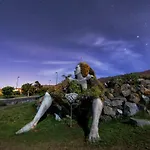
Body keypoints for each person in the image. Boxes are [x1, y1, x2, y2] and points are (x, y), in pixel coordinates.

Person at [16, 62, 105, 142]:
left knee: (97, 99)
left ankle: (94, 128)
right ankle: (33, 122)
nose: (74, 70)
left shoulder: (90, 79)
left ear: (83, 69)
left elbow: (97, 91)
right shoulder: (70, 80)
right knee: (48, 94)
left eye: (77, 67)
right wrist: (65, 95)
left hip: (84, 107)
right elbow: (53, 90)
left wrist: (78, 96)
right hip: (70, 106)